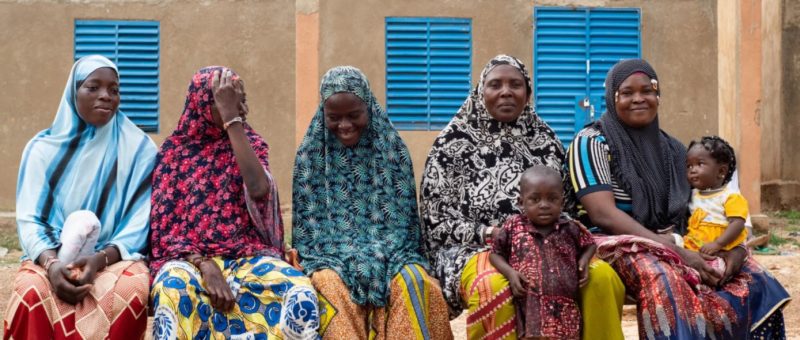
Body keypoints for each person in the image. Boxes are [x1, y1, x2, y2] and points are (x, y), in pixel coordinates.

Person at [567, 58, 790, 338]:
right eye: (627, 93)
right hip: (611, 243)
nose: (639, 99)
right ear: (612, 98)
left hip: (675, 241)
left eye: (647, 91)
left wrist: (735, 251)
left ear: (657, 96)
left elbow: (697, 212)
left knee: (753, 277)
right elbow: (603, 215)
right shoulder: (591, 142)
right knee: (664, 278)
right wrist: (677, 253)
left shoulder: (674, 150)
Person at [420, 54, 625, 340]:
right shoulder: (451, 145)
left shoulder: (546, 141)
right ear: (481, 92)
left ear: (528, 93)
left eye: (515, 84)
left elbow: (566, 208)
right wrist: (492, 232)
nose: (506, 91)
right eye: (495, 85)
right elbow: (436, 223)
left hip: (549, 240)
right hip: (476, 249)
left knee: (601, 278)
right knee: (494, 286)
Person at [149, 67, 319, 339]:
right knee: (172, 290)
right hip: (189, 261)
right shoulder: (174, 153)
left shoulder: (249, 143)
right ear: (203, 105)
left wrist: (232, 120)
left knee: (299, 292)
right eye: (227, 101)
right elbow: (165, 235)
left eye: (241, 99)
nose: (242, 107)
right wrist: (205, 265)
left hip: (247, 256)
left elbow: (259, 189)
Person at [292, 66, 452, 339]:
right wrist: (349, 259)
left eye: (354, 115)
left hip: (391, 252)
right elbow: (309, 232)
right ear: (323, 114)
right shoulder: (310, 156)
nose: (344, 125)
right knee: (328, 285)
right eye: (334, 117)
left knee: (413, 282)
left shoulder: (393, 151)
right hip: (328, 254)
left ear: (369, 108)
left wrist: (375, 258)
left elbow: (403, 225)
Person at [4, 55, 156, 339]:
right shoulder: (41, 150)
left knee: (131, 291)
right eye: (93, 87)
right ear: (73, 93)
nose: (106, 96)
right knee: (31, 291)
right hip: (51, 254)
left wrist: (98, 260)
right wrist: (52, 265)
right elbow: (31, 220)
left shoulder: (140, 151)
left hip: (116, 257)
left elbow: (139, 225)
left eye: (114, 90)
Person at [489, 166, 596, 339]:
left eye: (552, 199)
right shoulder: (513, 226)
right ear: (520, 202)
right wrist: (510, 273)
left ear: (562, 202)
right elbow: (495, 253)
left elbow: (590, 244)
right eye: (535, 199)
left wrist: (584, 260)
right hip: (530, 306)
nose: (544, 205)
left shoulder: (571, 228)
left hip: (565, 309)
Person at [684, 136, 748, 259]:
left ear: (721, 171)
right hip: (696, 245)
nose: (692, 170)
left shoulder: (730, 196)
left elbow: (737, 223)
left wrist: (718, 244)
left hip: (722, 247)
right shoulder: (692, 194)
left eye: (699, 164)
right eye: (689, 166)